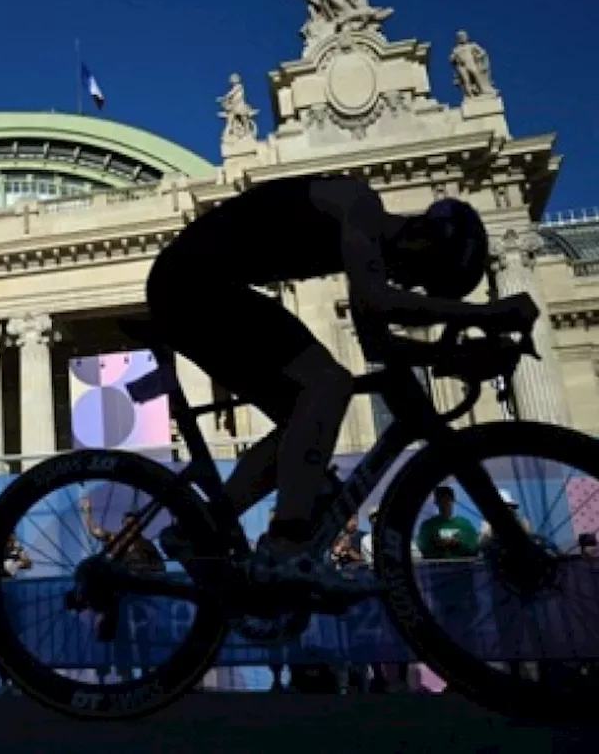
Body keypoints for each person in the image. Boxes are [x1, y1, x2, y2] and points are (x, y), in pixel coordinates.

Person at [144, 174, 538, 601]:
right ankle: (285, 545)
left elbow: (376, 343)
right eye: (423, 274)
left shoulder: (365, 248)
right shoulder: (360, 203)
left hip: (196, 285)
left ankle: (200, 528)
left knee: (304, 418)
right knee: (330, 383)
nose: (411, 284)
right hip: (195, 281)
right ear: (423, 236)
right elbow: (376, 301)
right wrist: (483, 313)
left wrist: (450, 358)